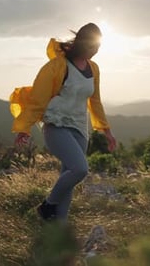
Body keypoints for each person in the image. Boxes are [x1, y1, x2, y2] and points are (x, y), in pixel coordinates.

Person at [12, 23, 116, 221]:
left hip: (80, 128)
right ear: (80, 43)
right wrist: (24, 128)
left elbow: (95, 101)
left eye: (97, 48)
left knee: (68, 176)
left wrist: (107, 131)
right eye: (91, 47)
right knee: (80, 169)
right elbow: (38, 98)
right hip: (57, 124)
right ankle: (47, 206)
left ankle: (58, 227)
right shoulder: (58, 66)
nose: (94, 52)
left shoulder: (94, 69)